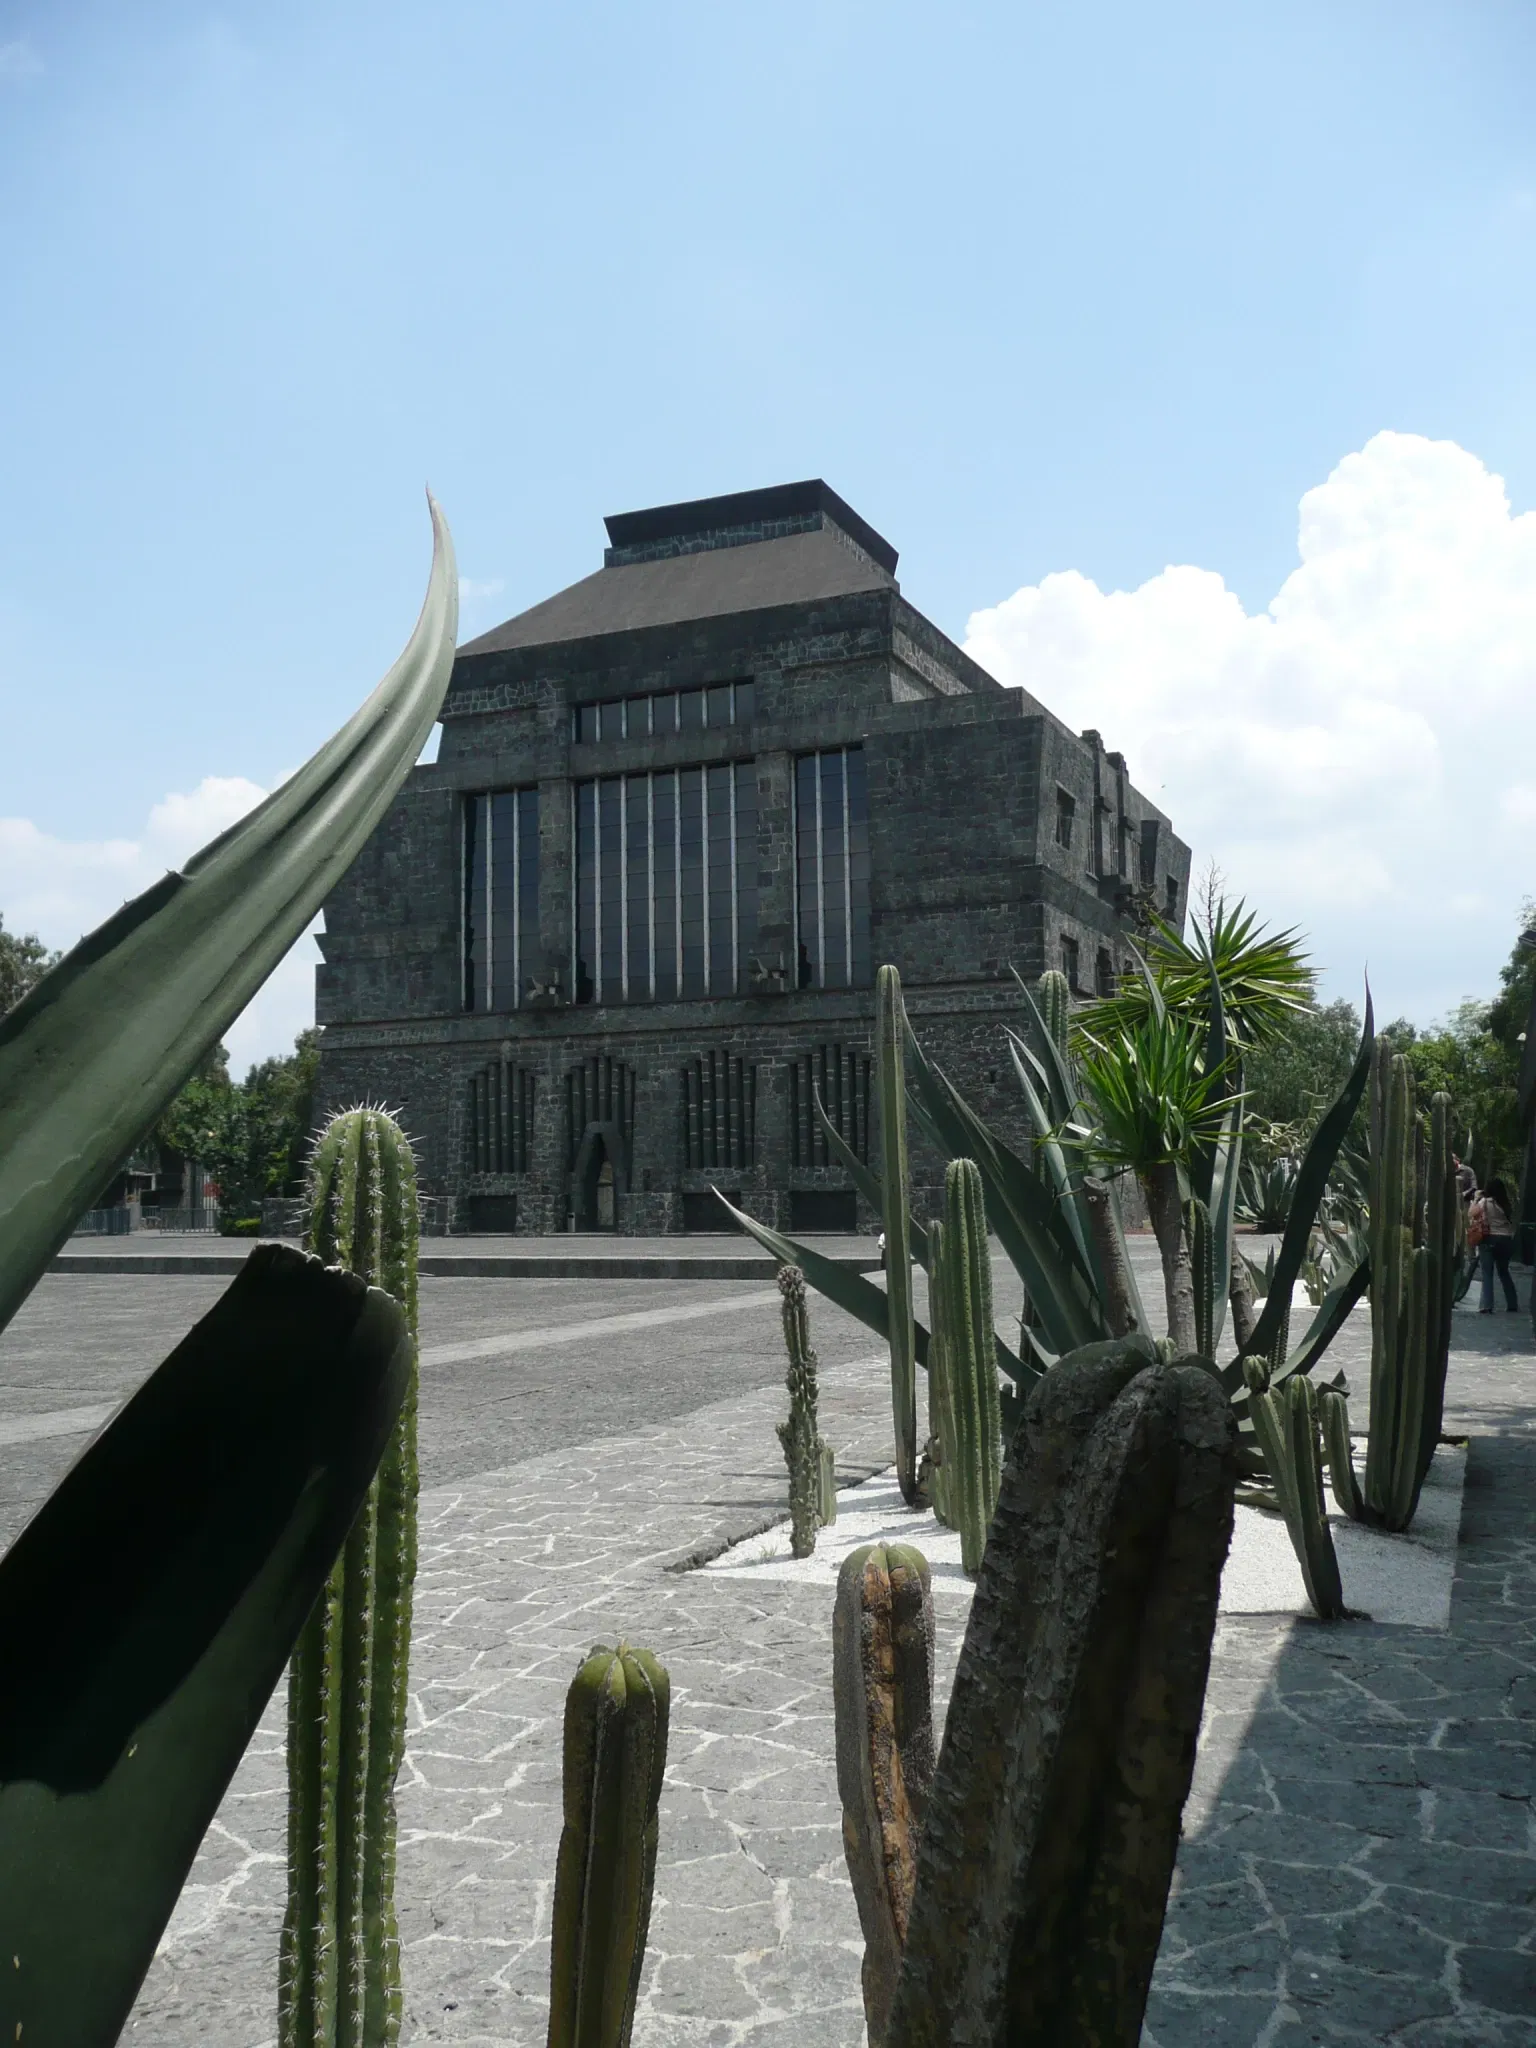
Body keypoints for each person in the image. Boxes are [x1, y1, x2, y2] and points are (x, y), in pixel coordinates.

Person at [1470, 1177, 1519, 1313]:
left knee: (1487, 1273)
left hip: (1489, 1238)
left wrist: (1475, 1199)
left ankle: (1487, 1305)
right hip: (1506, 1240)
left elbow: (1472, 1214)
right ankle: (1512, 1303)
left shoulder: (1485, 1202)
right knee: (1504, 1271)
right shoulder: (1507, 1204)